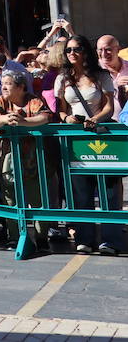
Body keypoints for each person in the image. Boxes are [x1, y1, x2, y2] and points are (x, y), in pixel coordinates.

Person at [54, 35, 123, 255]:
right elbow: (62, 109)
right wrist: (66, 119)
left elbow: (109, 107)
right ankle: (84, 238)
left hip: (100, 135)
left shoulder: (100, 76)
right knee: (80, 190)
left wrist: (96, 119)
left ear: (85, 52)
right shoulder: (63, 78)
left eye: (76, 49)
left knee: (108, 190)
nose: (71, 53)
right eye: (68, 50)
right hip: (75, 139)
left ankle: (110, 240)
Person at [0, 70, 52, 250]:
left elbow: (44, 116)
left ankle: (41, 237)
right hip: (7, 158)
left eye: (8, 83)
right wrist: (4, 118)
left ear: (21, 87)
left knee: (37, 198)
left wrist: (23, 122)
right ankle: (14, 236)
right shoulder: (0, 102)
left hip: (33, 160)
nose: (3, 87)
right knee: (10, 197)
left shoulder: (33, 101)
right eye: (2, 83)